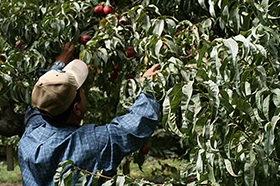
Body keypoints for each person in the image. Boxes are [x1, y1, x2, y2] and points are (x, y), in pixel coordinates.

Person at [18, 43, 160, 186]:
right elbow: (136, 126)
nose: (84, 92)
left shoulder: (29, 135)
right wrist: (148, 88)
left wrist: (57, 66)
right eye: (81, 91)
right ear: (76, 108)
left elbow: (42, 98)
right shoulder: (92, 142)